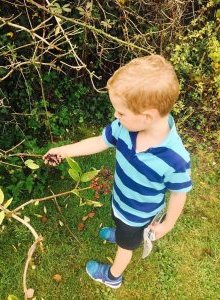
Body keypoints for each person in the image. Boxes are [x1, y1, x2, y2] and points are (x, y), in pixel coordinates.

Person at [43, 55, 192, 289]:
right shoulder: (125, 128)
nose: (116, 116)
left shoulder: (175, 159)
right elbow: (98, 142)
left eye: (120, 112)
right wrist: (64, 151)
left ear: (147, 116)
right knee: (118, 221)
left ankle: (112, 276)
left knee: (126, 247)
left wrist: (167, 224)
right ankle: (119, 232)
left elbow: (179, 194)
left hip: (138, 217)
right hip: (120, 200)